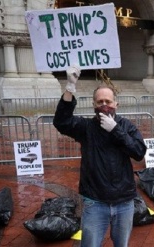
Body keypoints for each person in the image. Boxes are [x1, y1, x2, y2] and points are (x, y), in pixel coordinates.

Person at [53, 66, 147, 247]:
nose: (105, 105)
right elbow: (61, 122)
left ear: (116, 104)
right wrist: (70, 87)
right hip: (95, 201)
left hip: (124, 201)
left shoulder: (126, 126)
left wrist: (116, 131)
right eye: (100, 102)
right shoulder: (87, 127)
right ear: (94, 105)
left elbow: (139, 152)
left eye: (108, 101)